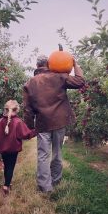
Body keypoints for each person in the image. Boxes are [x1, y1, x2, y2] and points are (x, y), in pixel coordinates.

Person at [23, 55, 85, 193]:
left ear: (37, 65)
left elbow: (27, 109)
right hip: (60, 121)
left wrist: (30, 127)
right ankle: (56, 181)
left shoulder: (29, 83)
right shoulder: (60, 77)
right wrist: (75, 64)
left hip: (43, 123)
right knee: (57, 152)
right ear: (49, 64)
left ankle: (45, 187)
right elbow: (80, 81)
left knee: (43, 155)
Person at [0, 99, 37, 195]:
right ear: (16, 110)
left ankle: (8, 183)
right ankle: (6, 185)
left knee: (6, 165)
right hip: (13, 149)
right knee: (11, 166)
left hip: (3, 149)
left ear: (5, 109)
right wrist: (35, 131)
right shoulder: (18, 122)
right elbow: (25, 134)